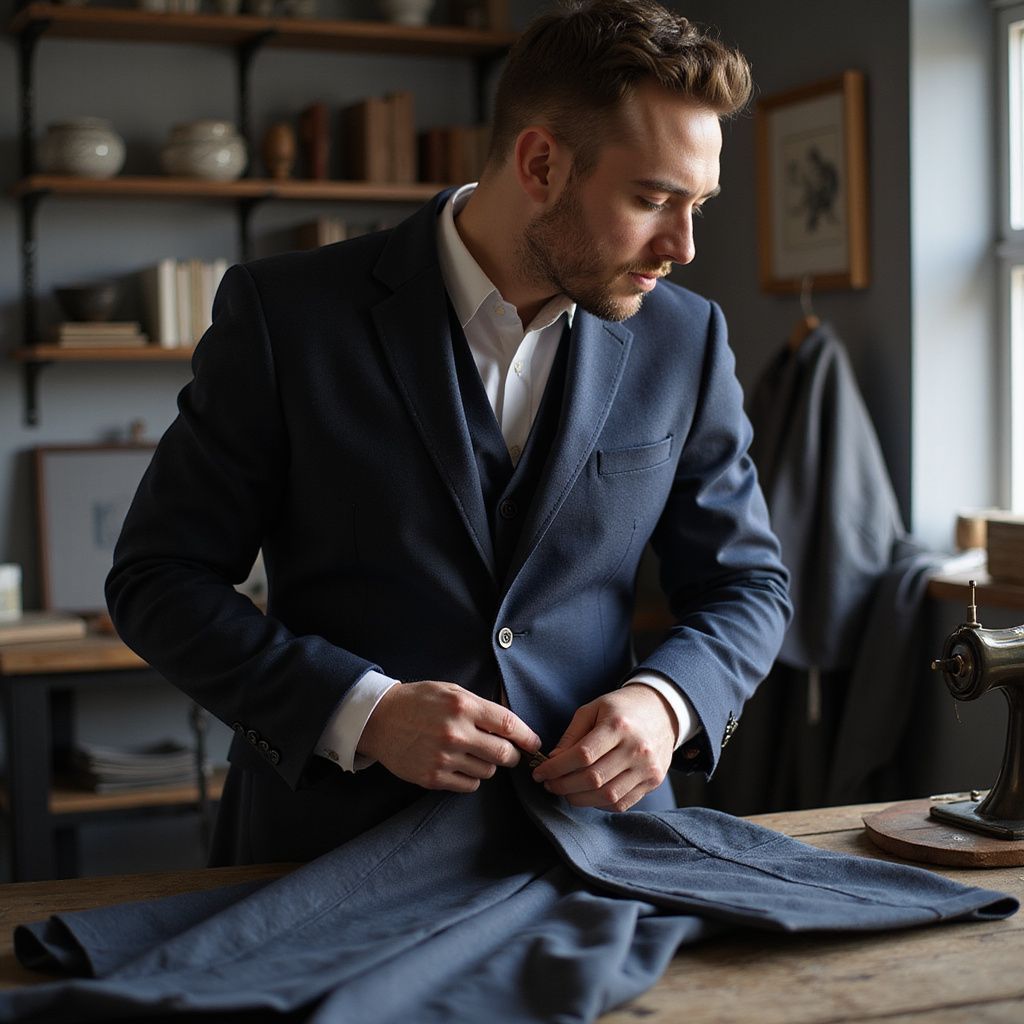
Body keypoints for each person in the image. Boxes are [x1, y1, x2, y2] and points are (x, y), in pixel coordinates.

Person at [106, 0, 791, 866]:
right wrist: (364, 711)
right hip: (326, 854)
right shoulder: (287, 318)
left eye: (698, 203)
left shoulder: (685, 340)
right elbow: (157, 580)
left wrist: (668, 700)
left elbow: (750, 585)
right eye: (653, 198)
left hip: (603, 859)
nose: (684, 246)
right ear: (540, 162)